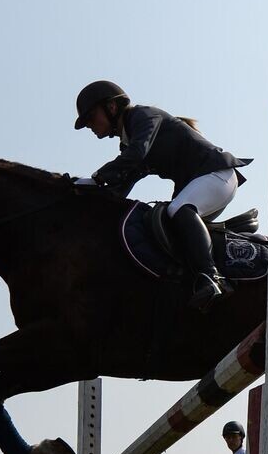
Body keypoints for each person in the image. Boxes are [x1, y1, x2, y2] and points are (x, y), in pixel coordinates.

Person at [73, 80, 251, 312]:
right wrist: (82, 194)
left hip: (218, 175)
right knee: (168, 223)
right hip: (201, 182)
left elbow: (137, 154)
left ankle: (213, 278)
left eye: (90, 117)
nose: (89, 125)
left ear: (111, 107)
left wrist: (96, 177)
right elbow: (119, 190)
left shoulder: (143, 116)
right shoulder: (128, 141)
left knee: (176, 210)